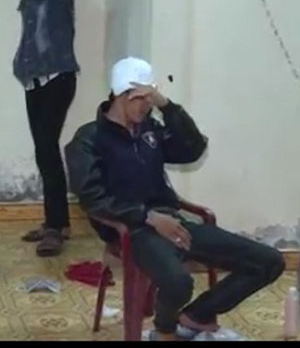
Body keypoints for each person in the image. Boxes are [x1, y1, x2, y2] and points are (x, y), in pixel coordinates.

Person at [65, 57, 285, 341]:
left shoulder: (149, 130)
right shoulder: (89, 139)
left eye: (151, 98)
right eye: (141, 98)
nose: (147, 105)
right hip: (132, 230)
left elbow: (193, 148)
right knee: (178, 283)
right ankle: (164, 330)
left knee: (269, 262)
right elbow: (92, 199)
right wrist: (147, 217)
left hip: (173, 223)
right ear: (120, 95)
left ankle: (196, 316)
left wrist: (168, 107)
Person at [0, 0, 80, 257]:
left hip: (57, 76)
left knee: (47, 148)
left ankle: (56, 229)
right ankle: (55, 223)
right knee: (43, 152)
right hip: (35, 78)